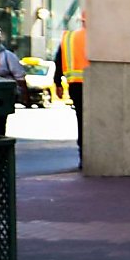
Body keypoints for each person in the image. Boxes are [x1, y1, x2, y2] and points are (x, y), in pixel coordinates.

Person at [55, 13, 87, 164]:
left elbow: (58, 60)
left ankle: (83, 155)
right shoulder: (101, 37)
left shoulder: (69, 37)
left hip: (75, 85)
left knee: (81, 120)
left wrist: (57, 83)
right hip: (96, 83)